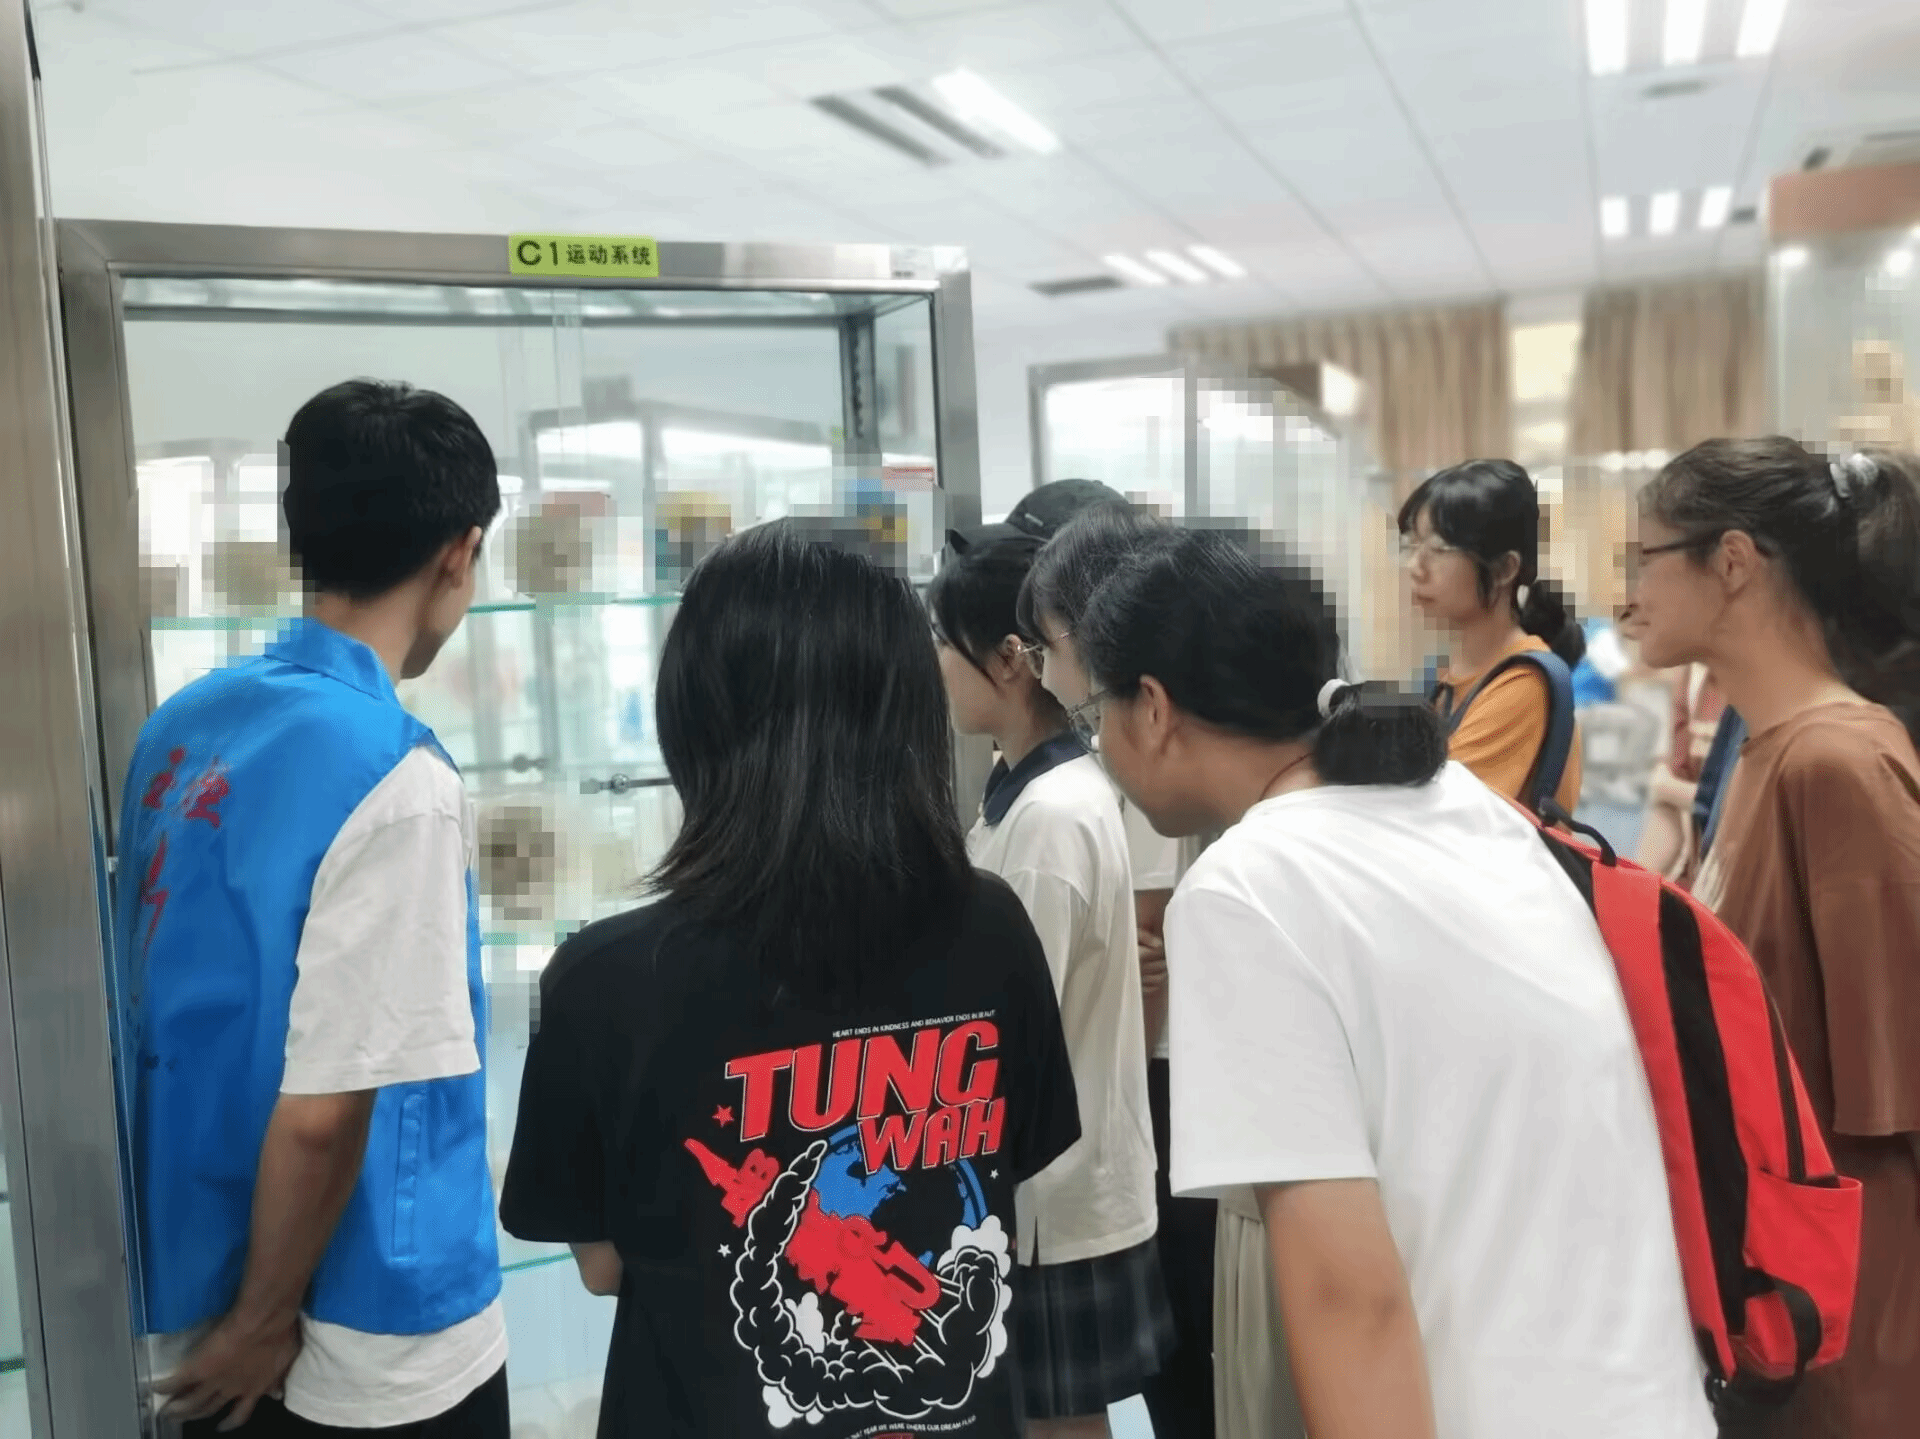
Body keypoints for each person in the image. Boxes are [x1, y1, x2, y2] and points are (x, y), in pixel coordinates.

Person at [1071, 525, 1716, 1439]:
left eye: (1093, 710)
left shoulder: (1244, 887)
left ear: (1152, 706)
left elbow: (1350, 1300)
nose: (1097, 740)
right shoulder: (1466, 806)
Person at [500, 520, 1082, 1438]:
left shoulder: (605, 979)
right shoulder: (994, 928)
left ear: (694, 711)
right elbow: (1009, 1169)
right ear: (908, 708)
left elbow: (605, 1265)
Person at [114, 380, 510, 1435]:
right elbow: (329, 1109)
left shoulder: (180, 727)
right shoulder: (395, 774)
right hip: (355, 1330)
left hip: (184, 1282)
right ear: (459, 553)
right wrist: (263, 1318)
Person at [1626, 438, 1920, 1438]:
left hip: (1857, 1335)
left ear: (1733, 561)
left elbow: (1898, 1103)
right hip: (1781, 1306)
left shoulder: (1836, 765)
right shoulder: (1764, 751)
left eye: (1646, 558)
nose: (1629, 595)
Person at [930, 525, 1169, 1438]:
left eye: (945, 642)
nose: (935, 666)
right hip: (1055, 1184)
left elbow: (1005, 1023)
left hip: (1053, 1197)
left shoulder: (1051, 817)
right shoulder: (1026, 790)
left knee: (1059, 1421)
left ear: (1009, 658)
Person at [1018, 504, 1217, 1439]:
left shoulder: (1136, 749)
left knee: (1186, 1365)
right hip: (1156, 1087)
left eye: (1049, 640)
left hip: (1165, 1085)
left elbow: (1149, 953)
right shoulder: (1108, 749)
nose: (1040, 666)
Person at [1399, 458, 1586, 810]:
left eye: (1437, 548)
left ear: (1503, 569)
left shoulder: (1523, 684)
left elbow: (1431, 815)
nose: (1415, 567)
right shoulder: (1444, 672)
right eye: (1412, 544)